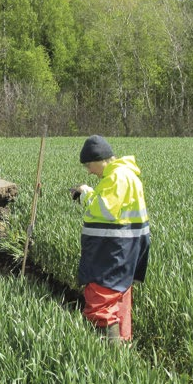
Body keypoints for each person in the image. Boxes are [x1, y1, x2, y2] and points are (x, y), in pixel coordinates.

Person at [69, 135, 150, 342]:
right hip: (124, 250)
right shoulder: (125, 175)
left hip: (112, 252)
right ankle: (123, 350)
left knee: (100, 303)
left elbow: (104, 210)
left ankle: (107, 357)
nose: (89, 170)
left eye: (89, 165)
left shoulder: (117, 177)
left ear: (100, 159)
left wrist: (86, 192)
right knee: (120, 300)